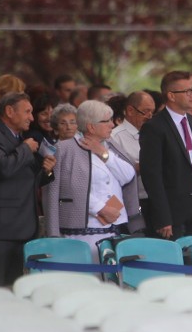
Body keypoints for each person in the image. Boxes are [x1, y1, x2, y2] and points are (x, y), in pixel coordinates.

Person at [0, 92, 56, 285]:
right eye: (28, 112)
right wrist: (25, 148)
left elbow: (23, 180)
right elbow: (3, 169)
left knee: (13, 289)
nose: (32, 118)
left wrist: (46, 172)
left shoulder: (18, 138)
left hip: (18, 228)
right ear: (9, 111)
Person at [43, 101, 144, 259]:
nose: (112, 124)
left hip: (112, 225)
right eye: (107, 121)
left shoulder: (110, 145)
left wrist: (103, 153)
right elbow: (69, 186)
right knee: (85, 278)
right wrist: (100, 209)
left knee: (110, 279)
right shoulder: (66, 148)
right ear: (91, 126)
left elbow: (128, 176)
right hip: (82, 229)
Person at [139, 71, 192, 240]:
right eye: (188, 91)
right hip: (171, 211)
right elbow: (152, 175)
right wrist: (162, 217)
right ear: (171, 96)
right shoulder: (155, 127)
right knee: (174, 262)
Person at [109, 91, 156, 218]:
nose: (150, 116)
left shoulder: (154, 134)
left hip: (154, 200)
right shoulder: (114, 137)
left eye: (152, 112)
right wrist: (138, 167)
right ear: (130, 110)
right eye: (145, 111)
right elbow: (112, 173)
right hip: (128, 202)